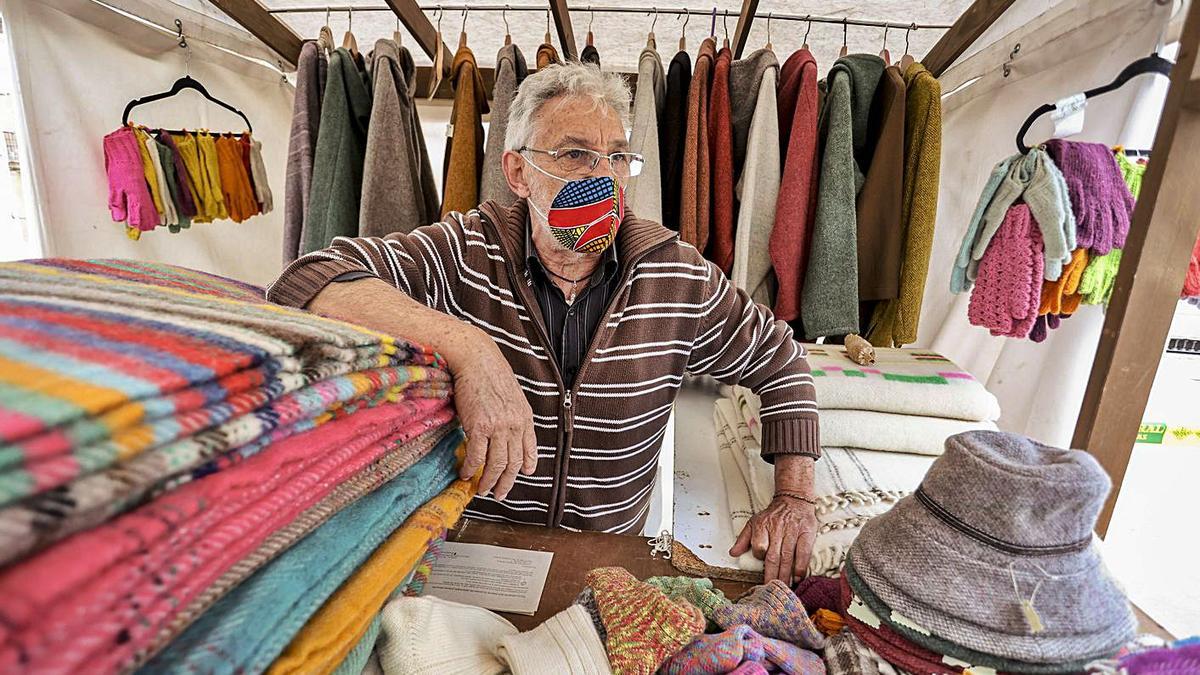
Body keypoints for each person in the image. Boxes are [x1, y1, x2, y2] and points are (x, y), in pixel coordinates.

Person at [267, 63, 821, 584]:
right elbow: (308, 280)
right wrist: (470, 349)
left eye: (616, 157)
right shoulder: (463, 251)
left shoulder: (677, 277)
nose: (602, 177)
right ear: (518, 172)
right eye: (576, 155)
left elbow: (783, 362)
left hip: (604, 564)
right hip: (468, 552)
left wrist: (794, 496)